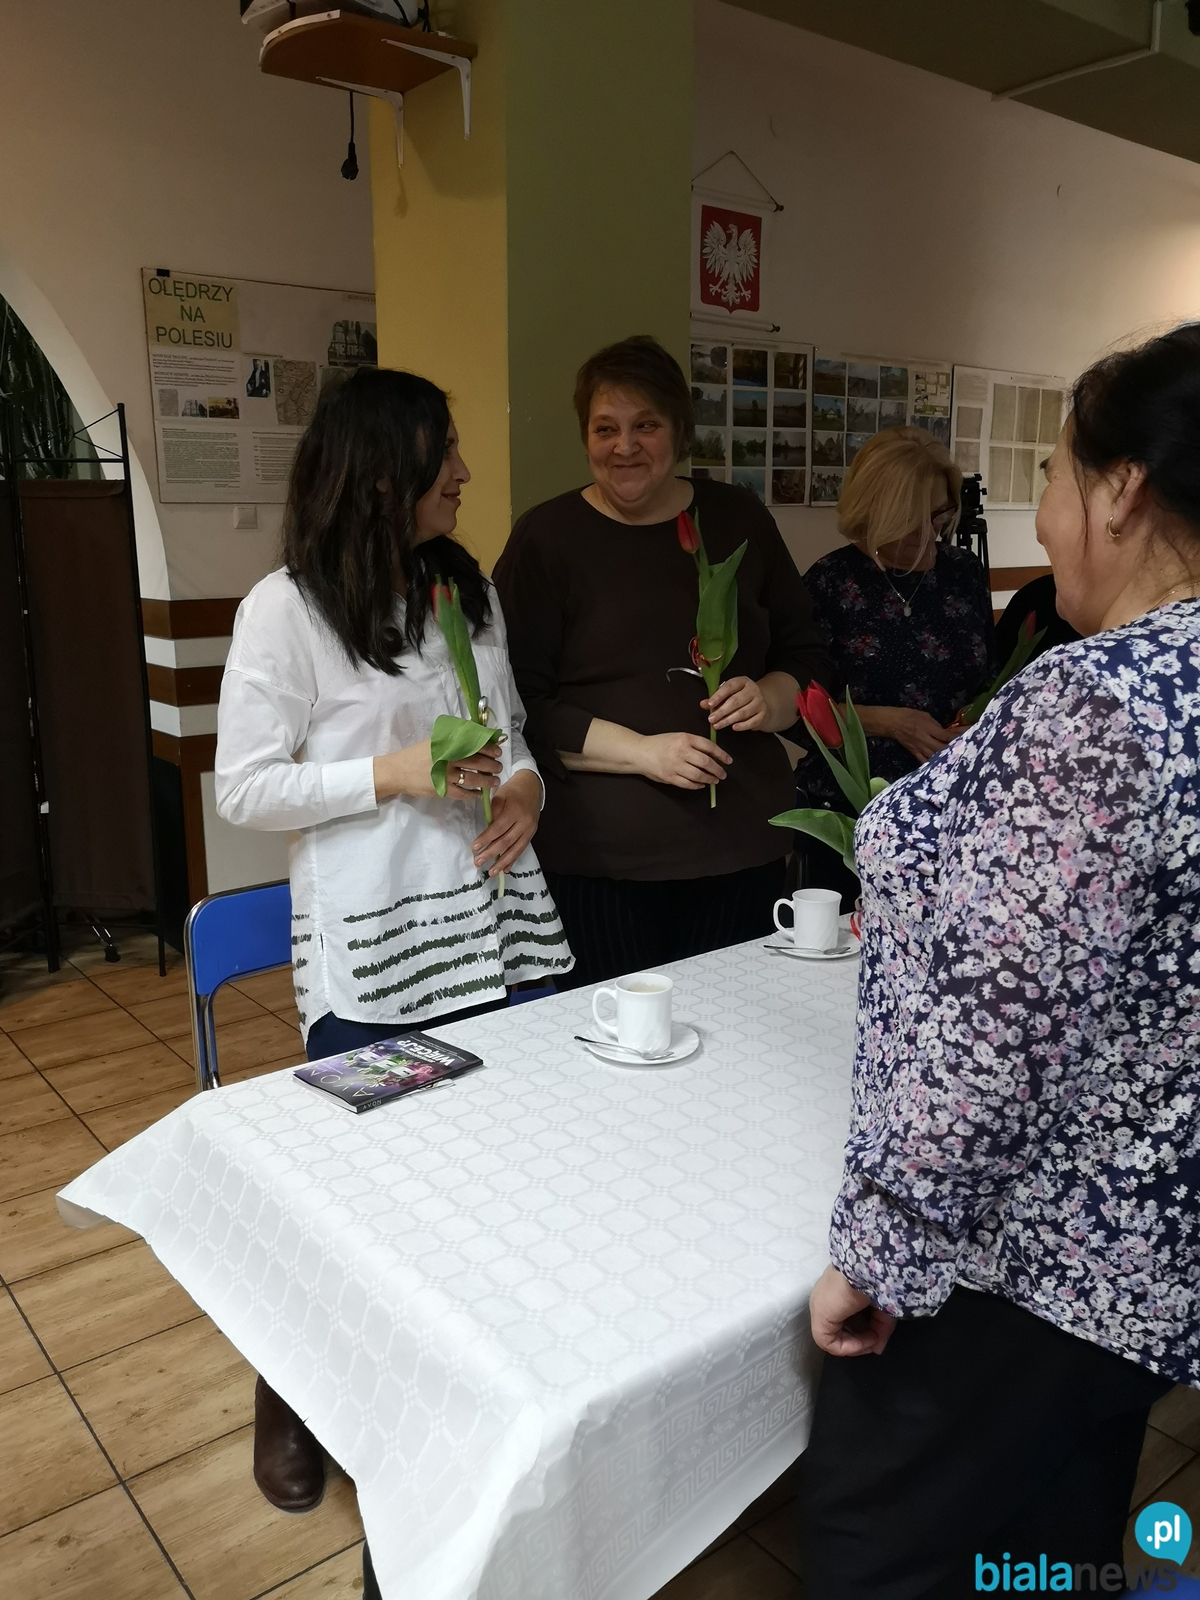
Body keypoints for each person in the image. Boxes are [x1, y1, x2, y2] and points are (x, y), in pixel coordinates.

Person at [801, 325, 1200, 1598]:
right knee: (1052, 1555)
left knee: (881, 1559)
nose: (1042, 512)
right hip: (1150, 1256)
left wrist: (879, 1254)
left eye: (1055, 474)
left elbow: (995, 1034)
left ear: (1123, 489)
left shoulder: (1099, 703)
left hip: (1028, 1268)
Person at [215, 367, 572, 1514]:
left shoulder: (464, 590)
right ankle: (291, 1390)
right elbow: (243, 789)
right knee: (358, 1195)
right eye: (443, 454)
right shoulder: (286, 610)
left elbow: (511, 733)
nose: (464, 472)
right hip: (377, 955)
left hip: (493, 928)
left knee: (482, 1178)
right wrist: (391, 773)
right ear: (381, 475)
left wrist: (527, 789)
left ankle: (449, 1386)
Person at [493, 335, 831, 987]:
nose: (625, 446)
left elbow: (807, 655)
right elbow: (518, 704)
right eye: (605, 428)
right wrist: (643, 753)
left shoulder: (738, 518)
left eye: (645, 425)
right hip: (601, 862)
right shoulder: (547, 537)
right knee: (617, 1033)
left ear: (680, 430)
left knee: (739, 1028)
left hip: (741, 849)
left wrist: (770, 697)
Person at [797, 427, 993, 904]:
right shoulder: (830, 582)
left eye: (939, 514)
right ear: (871, 512)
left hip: (947, 804)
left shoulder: (963, 573)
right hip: (851, 810)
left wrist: (976, 722)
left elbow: (986, 679)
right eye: (909, 520)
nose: (929, 534)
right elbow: (797, 711)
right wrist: (891, 722)